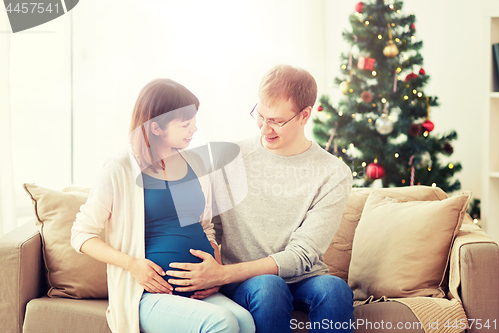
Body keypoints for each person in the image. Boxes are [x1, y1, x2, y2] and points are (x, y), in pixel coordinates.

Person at [165, 65, 354, 333]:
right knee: (269, 286)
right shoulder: (229, 158)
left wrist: (223, 274)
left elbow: (302, 255)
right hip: (247, 283)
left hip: (303, 278)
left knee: (335, 289)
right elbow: (210, 225)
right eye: (260, 116)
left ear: (305, 115)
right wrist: (214, 266)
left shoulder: (333, 172)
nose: (265, 129)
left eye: (276, 121)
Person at [70, 78, 255, 333]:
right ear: (156, 128)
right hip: (147, 294)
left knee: (245, 322)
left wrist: (215, 267)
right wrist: (133, 265)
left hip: (198, 291)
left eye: (194, 121)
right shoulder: (120, 168)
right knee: (222, 322)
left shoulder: (195, 163)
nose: (194, 129)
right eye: (186, 124)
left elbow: (206, 226)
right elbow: (81, 234)